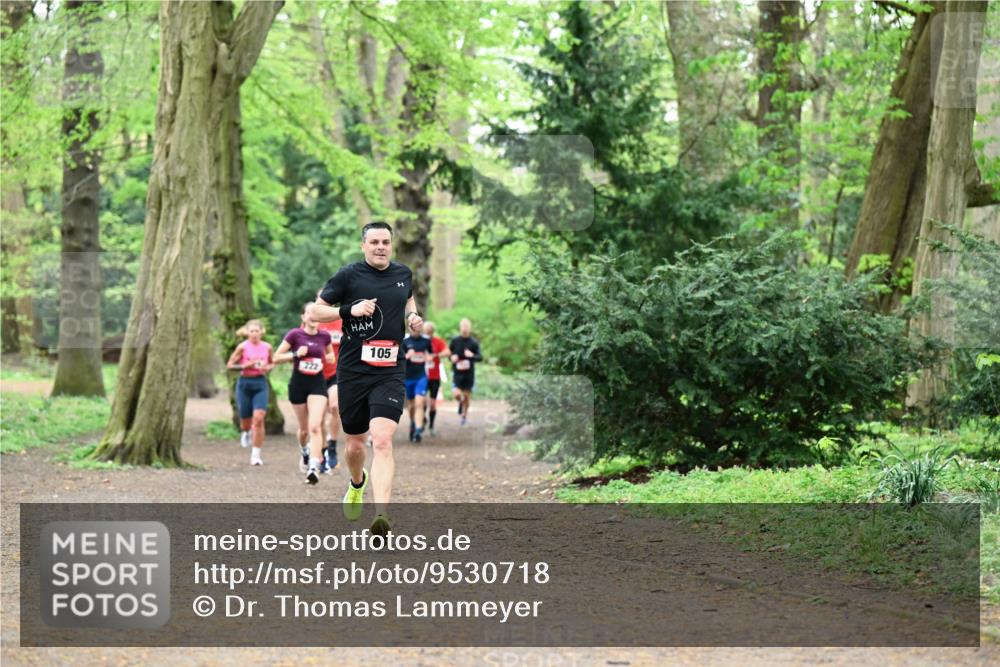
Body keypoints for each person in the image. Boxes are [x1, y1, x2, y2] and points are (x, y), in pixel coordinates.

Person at [308, 221, 422, 537]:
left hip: (390, 370)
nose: (381, 247)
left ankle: (381, 516)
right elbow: (315, 313)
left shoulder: (403, 274)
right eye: (374, 242)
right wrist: (350, 310)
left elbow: (409, 299)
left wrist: (412, 317)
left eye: (385, 241)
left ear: (391, 244)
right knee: (355, 446)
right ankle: (357, 483)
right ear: (364, 245)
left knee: (382, 441)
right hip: (354, 371)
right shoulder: (348, 276)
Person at [274, 304, 335, 485]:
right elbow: (276, 357)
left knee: (315, 426)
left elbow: (330, 354)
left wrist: (330, 357)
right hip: (298, 385)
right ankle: (304, 450)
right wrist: (295, 354)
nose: (313, 316)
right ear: (303, 317)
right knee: (303, 430)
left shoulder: (325, 336)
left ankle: (314, 467)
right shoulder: (295, 335)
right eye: (309, 313)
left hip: (317, 384)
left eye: (315, 313)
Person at [225, 319, 273, 466]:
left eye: (256, 331)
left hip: (260, 383)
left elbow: (273, 362)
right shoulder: (242, 347)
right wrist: (247, 365)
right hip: (244, 383)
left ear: (261, 332)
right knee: (245, 419)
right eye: (251, 331)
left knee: (258, 418)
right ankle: (245, 432)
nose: (254, 334)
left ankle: (256, 455)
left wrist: (268, 367)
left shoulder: (267, 347)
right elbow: (230, 365)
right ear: (247, 332)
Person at [316, 308, 343, 473]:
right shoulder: (313, 320)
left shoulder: (342, 320)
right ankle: (323, 450)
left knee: (335, 407)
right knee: (318, 418)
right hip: (316, 375)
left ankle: (332, 445)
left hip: (337, 373)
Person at [450, 318, 482, 426]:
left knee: (467, 396)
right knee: (457, 394)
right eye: (463, 326)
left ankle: (464, 416)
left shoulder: (473, 342)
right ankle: (460, 402)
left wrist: (472, 356)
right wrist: (452, 358)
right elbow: (450, 354)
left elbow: (480, 357)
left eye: (467, 327)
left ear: (470, 328)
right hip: (457, 373)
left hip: (469, 374)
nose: (465, 329)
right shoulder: (455, 341)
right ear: (460, 327)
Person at [402, 331, 433, 442]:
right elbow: (398, 360)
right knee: (411, 406)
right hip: (408, 377)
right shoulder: (405, 342)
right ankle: (413, 423)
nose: (416, 328)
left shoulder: (426, 341)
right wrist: (407, 356)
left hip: (421, 377)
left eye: (419, 326)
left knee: (419, 402)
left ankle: (418, 431)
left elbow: (430, 355)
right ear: (410, 327)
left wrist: (429, 357)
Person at [422, 321, 449, 436]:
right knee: (421, 401)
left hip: (434, 377)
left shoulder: (438, 341)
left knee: (432, 404)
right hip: (421, 376)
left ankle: (431, 427)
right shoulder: (420, 341)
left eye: (430, 332)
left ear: (433, 332)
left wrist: (435, 355)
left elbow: (448, 352)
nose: (428, 334)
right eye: (426, 332)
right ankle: (422, 420)